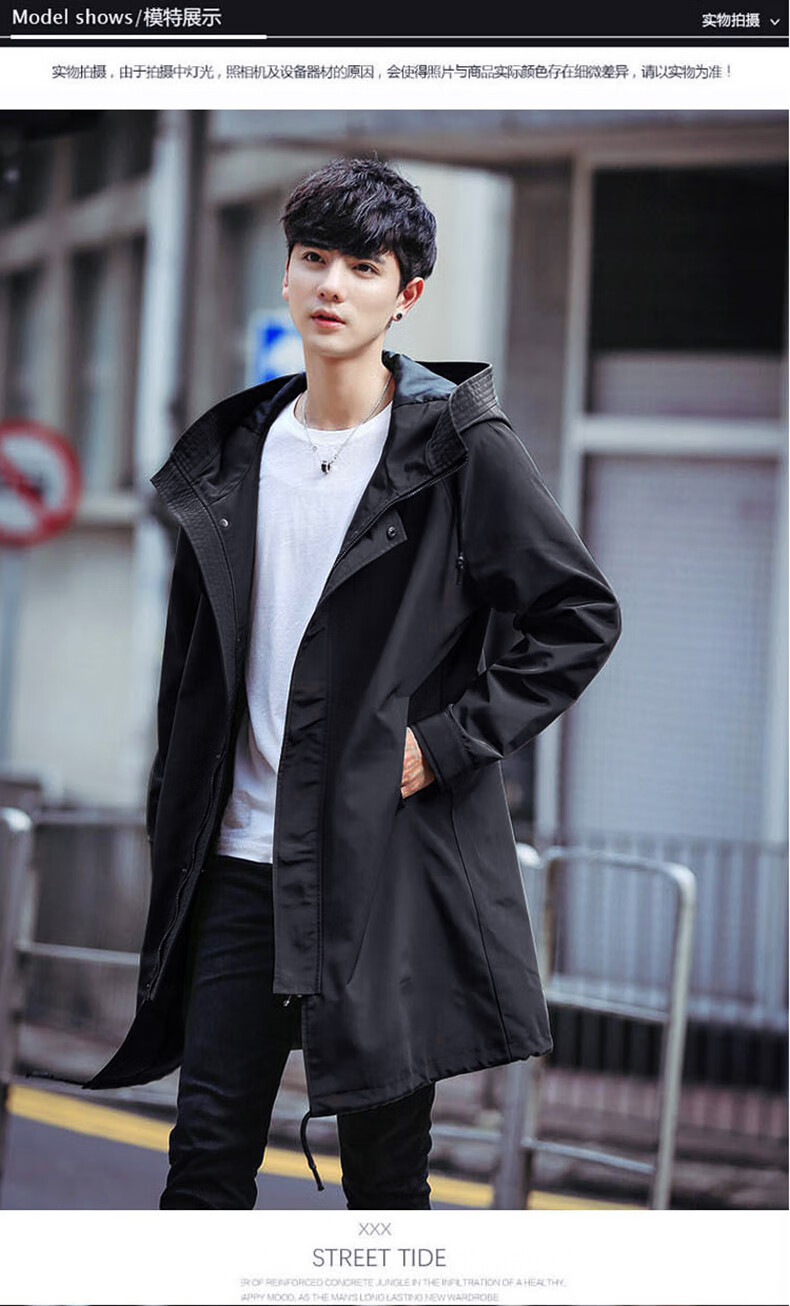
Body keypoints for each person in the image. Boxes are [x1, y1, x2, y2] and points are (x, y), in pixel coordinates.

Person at [85, 157, 622, 1209]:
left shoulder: (457, 447)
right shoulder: (231, 454)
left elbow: (578, 616)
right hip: (239, 865)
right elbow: (189, 675)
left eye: (363, 267)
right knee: (203, 1163)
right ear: (286, 274)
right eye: (314, 258)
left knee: (385, 1180)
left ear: (405, 294)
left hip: (384, 869)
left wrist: (443, 744)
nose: (332, 285)